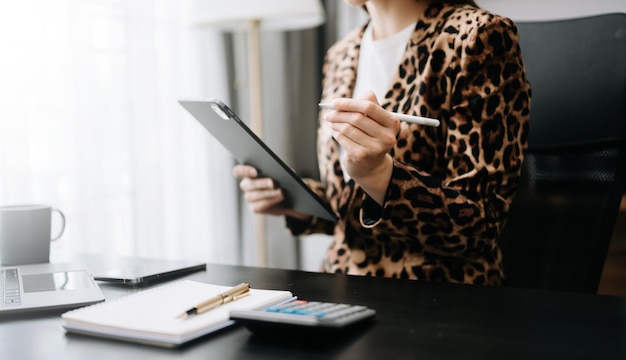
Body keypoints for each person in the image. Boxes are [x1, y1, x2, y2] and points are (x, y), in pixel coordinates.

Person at [233, 0, 531, 286]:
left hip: (436, 296)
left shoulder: (476, 37)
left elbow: (479, 229)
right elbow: (353, 209)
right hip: (340, 287)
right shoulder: (341, 54)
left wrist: (377, 174)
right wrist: (295, 200)